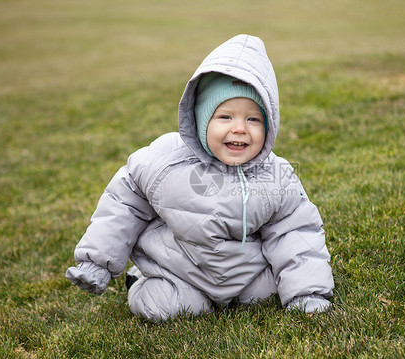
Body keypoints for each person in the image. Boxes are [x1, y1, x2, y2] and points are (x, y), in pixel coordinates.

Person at [66, 34, 334, 321]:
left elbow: (295, 232)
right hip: (181, 271)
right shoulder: (166, 160)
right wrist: (97, 263)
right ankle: (139, 282)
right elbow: (123, 204)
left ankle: (288, 291)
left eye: (253, 119)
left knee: (266, 293)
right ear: (202, 119)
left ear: (269, 125)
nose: (240, 128)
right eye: (225, 117)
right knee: (168, 308)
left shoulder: (276, 176)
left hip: (243, 277)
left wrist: (308, 293)